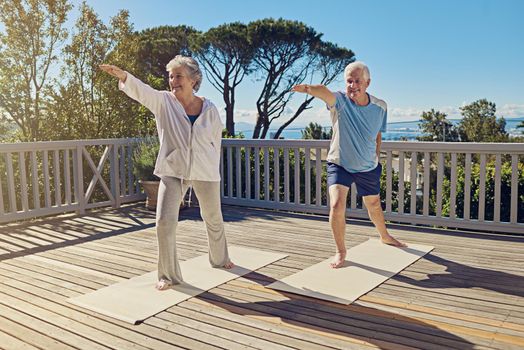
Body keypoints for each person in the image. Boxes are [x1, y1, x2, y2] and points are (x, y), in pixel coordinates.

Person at [100, 55, 234, 290]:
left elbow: (216, 141)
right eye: (171, 76)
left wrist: (212, 167)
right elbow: (143, 91)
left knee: (213, 217)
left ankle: (220, 259)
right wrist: (124, 76)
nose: (173, 81)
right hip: (173, 170)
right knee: (164, 222)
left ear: (194, 80)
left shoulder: (210, 109)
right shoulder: (163, 102)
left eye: (179, 76)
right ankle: (168, 276)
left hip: (205, 171)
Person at [292, 61, 406, 269]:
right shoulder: (340, 101)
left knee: (373, 205)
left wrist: (376, 156)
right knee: (336, 205)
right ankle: (340, 251)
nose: (353, 85)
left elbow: (377, 133)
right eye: (349, 81)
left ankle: (385, 236)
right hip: (340, 163)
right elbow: (325, 92)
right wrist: (308, 89)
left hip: (367, 166)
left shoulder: (380, 106)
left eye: (357, 81)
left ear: (368, 83)